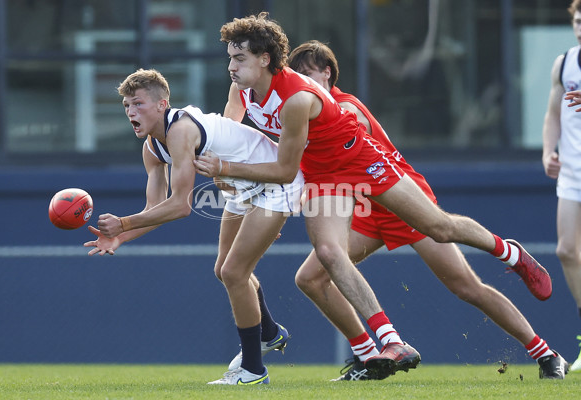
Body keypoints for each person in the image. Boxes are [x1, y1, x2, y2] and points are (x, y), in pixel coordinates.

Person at [194, 12, 566, 379]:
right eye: (230, 57)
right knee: (322, 260)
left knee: (444, 236)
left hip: (364, 169)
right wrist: (243, 185)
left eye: (238, 57)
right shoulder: (243, 87)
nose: (231, 65)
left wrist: (226, 172)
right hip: (331, 182)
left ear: (266, 60)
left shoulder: (305, 100)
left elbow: (284, 170)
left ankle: (509, 255)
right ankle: (382, 347)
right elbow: (236, 136)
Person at [288, 40, 569, 380]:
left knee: (466, 287)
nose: (303, 82)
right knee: (310, 277)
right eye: (297, 76)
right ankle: (368, 356)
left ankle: (545, 351)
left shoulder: (345, 108)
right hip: (369, 209)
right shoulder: (305, 117)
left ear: (328, 73)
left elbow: (343, 164)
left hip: (402, 200)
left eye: (308, 74)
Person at [83, 68, 304, 385]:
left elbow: (180, 206)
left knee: (234, 273)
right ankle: (269, 333)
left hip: (273, 179)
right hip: (243, 187)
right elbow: (155, 209)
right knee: (224, 271)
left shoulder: (180, 131)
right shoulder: (152, 148)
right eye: (127, 106)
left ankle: (253, 371)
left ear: (162, 104)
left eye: (139, 103)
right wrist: (121, 238)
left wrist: (122, 224)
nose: (131, 111)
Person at [542, 0, 581, 373]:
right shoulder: (565, 62)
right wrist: (548, 151)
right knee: (567, 250)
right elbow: (554, 113)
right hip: (573, 172)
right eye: (578, 20)